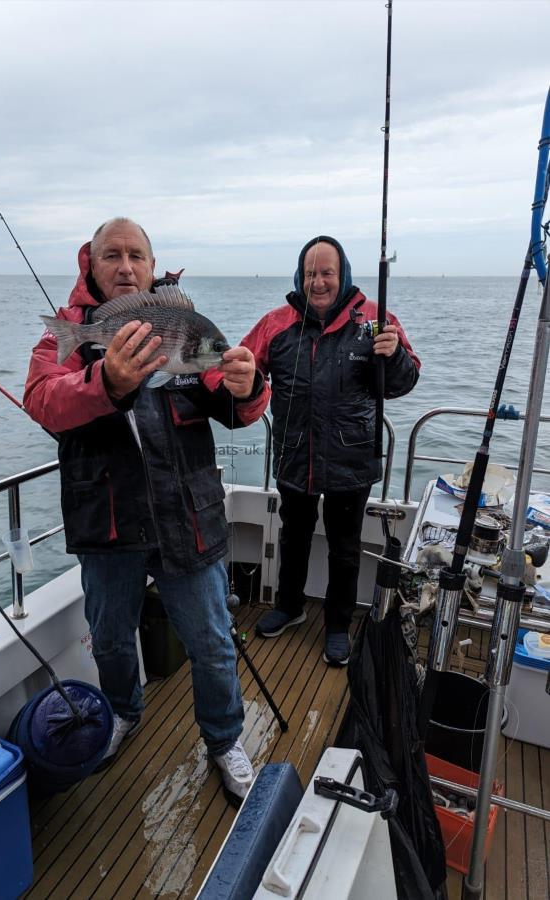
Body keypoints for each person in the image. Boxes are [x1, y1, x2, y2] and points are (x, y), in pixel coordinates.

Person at [24, 218, 270, 802]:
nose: (126, 266)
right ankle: (122, 713)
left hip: (186, 517)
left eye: (138, 255)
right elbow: (43, 401)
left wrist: (247, 385)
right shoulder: (69, 335)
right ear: (92, 263)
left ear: (154, 266)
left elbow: (238, 410)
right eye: (113, 255)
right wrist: (104, 381)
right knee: (110, 637)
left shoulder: (184, 329)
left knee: (211, 640)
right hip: (106, 524)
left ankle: (224, 739)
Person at [241, 235, 420, 665]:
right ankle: (289, 606)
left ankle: (338, 625)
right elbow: (244, 369)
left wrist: (392, 357)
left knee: (345, 546)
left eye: (327, 273)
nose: (318, 282)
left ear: (343, 276)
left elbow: (404, 381)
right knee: (293, 535)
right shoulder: (276, 324)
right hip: (294, 455)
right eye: (310, 274)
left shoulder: (376, 321)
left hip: (350, 460)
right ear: (299, 277)